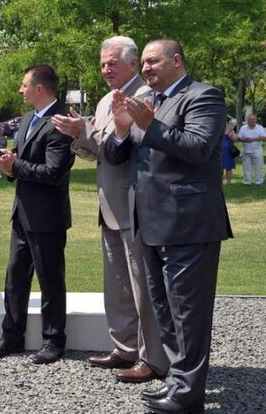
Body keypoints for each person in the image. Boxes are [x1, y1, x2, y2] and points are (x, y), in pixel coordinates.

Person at [105, 39, 231, 413]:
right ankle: (178, 380)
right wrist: (124, 129)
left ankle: (188, 393)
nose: (146, 69)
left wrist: (149, 124)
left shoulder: (204, 97)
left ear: (177, 60)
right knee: (164, 309)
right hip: (149, 221)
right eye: (143, 63)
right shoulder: (152, 103)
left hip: (188, 223)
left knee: (187, 312)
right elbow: (118, 155)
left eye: (153, 61)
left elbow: (197, 147)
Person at [51, 36, 168, 383]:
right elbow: (95, 151)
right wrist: (81, 132)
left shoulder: (144, 98)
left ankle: (151, 358)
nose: (105, 69)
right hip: (109, 205)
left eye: (112, 63)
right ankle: (124, 348)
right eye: (102, 64)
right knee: (117, 284)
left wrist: (86, 132)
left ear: (133, 64)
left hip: (136, 206)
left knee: (142, 288)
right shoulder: (105, 101)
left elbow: (123, 147)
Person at [0, 65, 75, 365]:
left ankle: (53, 341)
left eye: (24, 85)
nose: (20, 90)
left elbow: (54, 172)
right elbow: (22, 164)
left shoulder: (60, 122)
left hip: (48, 217)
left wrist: (16, 166)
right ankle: (12, 335)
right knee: (15, 278)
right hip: (22, 214)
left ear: (40, 89)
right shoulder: (27, 120)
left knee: (50, 281)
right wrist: (8, 166)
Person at [237, 114, 265, 185]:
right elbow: (239, 138)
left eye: (253, 119)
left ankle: (259, 181)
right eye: (250, 119)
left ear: (256, 120)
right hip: (246, 150)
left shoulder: (260, 127)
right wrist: (244, 139)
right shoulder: (243, 128)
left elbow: (264, 138)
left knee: (259, 166)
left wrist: (253, 139)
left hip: (257, 151)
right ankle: (247, 181)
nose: (252, 121)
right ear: (247, 120)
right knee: (246, 167)